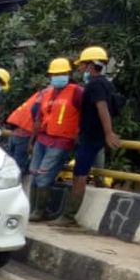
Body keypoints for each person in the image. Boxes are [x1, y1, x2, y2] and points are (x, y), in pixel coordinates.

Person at [57, 46, 121, 226]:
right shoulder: (107, 83)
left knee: (80, 174)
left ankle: (69, 215)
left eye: (82, 65)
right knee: (83, 172)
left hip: (92, 136)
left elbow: (102, 108)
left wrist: (108, 133)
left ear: (91, 66)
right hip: (92, 135)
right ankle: (70, 213)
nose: (80, 69)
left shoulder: (94, 85)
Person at [26, 59, 82, 221]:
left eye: (62, 74)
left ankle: (39, 211)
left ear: (68, 74)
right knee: (35, 173)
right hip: (43, 139)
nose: (58, 77)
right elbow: (38, 118)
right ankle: (35, 209)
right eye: (55, 74)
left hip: (61, 141)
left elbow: (85, 114)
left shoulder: (76, 92)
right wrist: (32, 140)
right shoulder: (46, 93)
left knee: (44, 175)